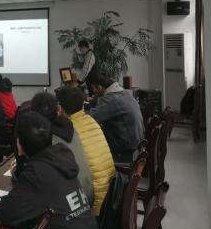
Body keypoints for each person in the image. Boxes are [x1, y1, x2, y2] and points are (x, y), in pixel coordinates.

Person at [57, 86, 115, 215]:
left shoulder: (69, 131)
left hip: (95, 204)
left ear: (60, 108)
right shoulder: (91, 120)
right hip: (111, 194)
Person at [31, 91, 94, 207]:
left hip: (74, 204)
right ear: (59, 109)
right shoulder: (71, 127)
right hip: (89, 195)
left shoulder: (46, 139)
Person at [87, 73, 145, 162]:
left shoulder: (111, 99)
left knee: (91, 144)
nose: (93, 91)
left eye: (94, 88)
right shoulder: (123, 92)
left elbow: (91, 117)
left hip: (127, 149)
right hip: (137, 144)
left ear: (100, 87)